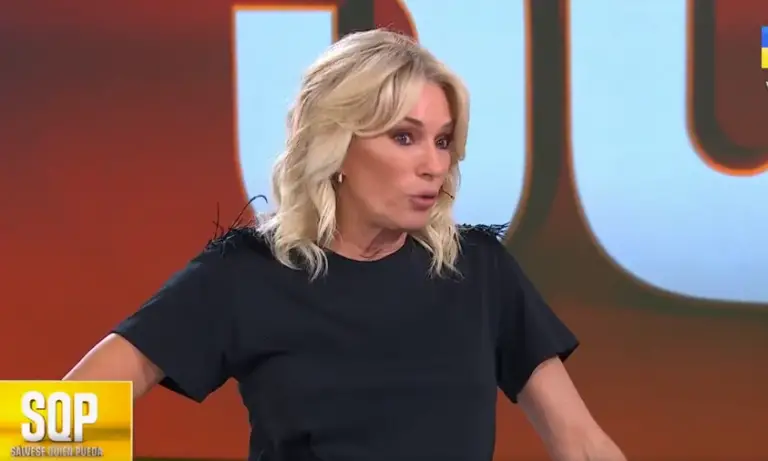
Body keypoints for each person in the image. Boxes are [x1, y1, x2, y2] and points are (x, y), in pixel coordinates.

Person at [65, 29, 625, 461]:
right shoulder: (248, 274)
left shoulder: (477, 272)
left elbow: (581, 443)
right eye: (404, 137)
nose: (434, 165)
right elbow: (70, 414)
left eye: (443, 141)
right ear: (337, 147)